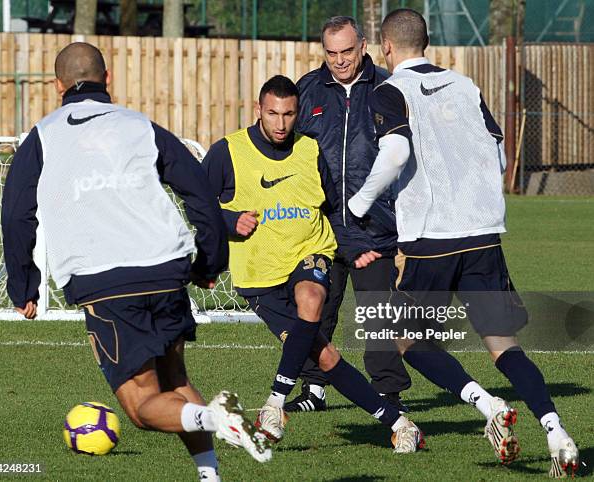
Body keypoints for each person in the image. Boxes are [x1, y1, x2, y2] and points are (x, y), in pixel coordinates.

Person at [1, 42, 271, 481]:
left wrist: (24, 287)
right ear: (108, 79)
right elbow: (199, 192)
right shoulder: (140, 125)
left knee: (143, 408)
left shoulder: (43, 136)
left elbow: (15, 215)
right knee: (176, 381)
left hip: (104, 282)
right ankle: (210, 475)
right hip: (166, 269)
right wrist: (208, 263)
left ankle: (217, 419)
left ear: (57, 86)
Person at [348, 9, 579, 478]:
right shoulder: (465, 84)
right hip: (482, 234)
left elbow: (395, 151)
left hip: (432, 240)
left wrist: (360, 202)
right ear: (427, 43)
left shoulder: (389, 91)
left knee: (406, 340)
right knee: (504, 346)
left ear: (386, 47)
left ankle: (487, 403)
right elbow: (499, 151)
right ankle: (556, 432)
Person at [202, 75, 424, 453]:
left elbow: (332, 208)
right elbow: (199, 208)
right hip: (259, 277)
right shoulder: (228, 152)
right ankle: (399, 424)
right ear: (258, 110)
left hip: (311, 251)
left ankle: (274, 403)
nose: (280, 123)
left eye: (288, 114)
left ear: (297, 112)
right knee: (326, 357)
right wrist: (228, 222)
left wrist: (351, 245)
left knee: (311, 298)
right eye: (272, 113)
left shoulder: (309, 149)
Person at [291, 16, 411, 413]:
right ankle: (313, 389)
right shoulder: (307, 91)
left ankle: (389, 395)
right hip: (320, 228)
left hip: (373, 227)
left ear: (363, 46)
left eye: (347, 51)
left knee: (377, 313)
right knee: (317, 310)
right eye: (331, 53)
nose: (340, 60)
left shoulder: (388, 89)